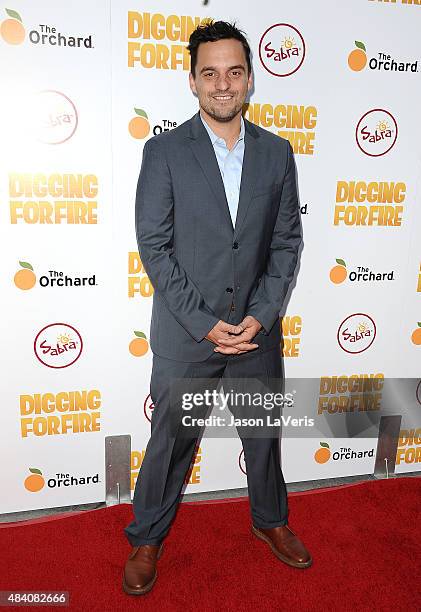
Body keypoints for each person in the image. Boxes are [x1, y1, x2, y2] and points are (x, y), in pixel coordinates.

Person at [123, 20, 311, 596]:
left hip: (256, 331)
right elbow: (153, 246)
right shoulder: (163, 152)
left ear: (250, 79)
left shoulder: (277, 153)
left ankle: (270, 521)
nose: (223, 84)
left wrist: (260, 314)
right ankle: (148, 537)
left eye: (234, 72)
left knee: (263, 435)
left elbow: (285, 244)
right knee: (170, 445)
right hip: (187, 336)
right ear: (193, 81)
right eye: (211, 73)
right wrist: (206, 324)